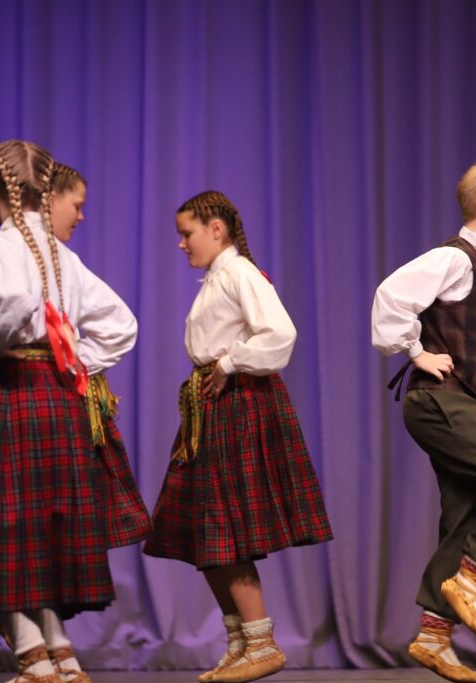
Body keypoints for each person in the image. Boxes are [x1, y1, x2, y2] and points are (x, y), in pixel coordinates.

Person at [0, 140, 138, 683]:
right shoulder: (62, 255)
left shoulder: (3, 244)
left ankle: (33, 657)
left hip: (19, 390)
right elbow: (122, 324)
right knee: (36, 533)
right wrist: (71, 358)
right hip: (60, 398)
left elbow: (15, 304)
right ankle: (60, 653)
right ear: (44, 191)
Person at [144, 190, 333, 683]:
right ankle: (241, 642)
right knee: (201, 529)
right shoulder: (218, 277)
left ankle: (261, 641)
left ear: (216, 229)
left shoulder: (240, 273)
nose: (181, 244)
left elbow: (280, 333)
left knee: (225, 525)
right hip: (209, 405)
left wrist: (229, 362)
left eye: (187, 233)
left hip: (237, 403)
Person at [371, 157, 476, 682]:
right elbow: (391, 296)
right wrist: (416, 351)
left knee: (467, 513)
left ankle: (434, 636)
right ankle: (470, 581)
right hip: (439, 401)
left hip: (458, 402)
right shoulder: (455, 259)